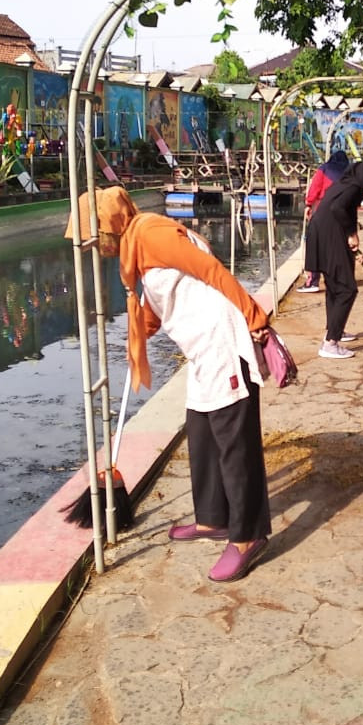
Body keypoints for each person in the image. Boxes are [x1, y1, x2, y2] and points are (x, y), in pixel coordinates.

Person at [118, 211, 273, 583]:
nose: (96, 248)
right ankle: (212, 519)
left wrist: (255, 316)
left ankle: (248, 537)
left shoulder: (154, 236)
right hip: (201, 351)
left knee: (235, 444)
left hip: (221, 344)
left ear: (109, 225)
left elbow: (211, 271)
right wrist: (137, 340)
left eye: (95, 238)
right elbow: (158, 305)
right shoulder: (139, 244)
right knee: (202, 434)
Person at [304, 159, 363, 359]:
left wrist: (353, 242)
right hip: (329, 237)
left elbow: (348, 213)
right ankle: (330, 343)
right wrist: (350, 234)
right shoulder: (354, 187)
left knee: (334, 287)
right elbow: (338, 209)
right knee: (347, 289)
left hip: (323, 235)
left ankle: (335, 329)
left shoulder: (344, 183)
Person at [298, 150, 349, 293]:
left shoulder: (324, 169)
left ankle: (312, 280)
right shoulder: (349, 173)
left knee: (315, 245)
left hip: (322, 211)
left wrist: (308, 204)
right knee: (337, 246)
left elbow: (315, 188)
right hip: (341, 213)